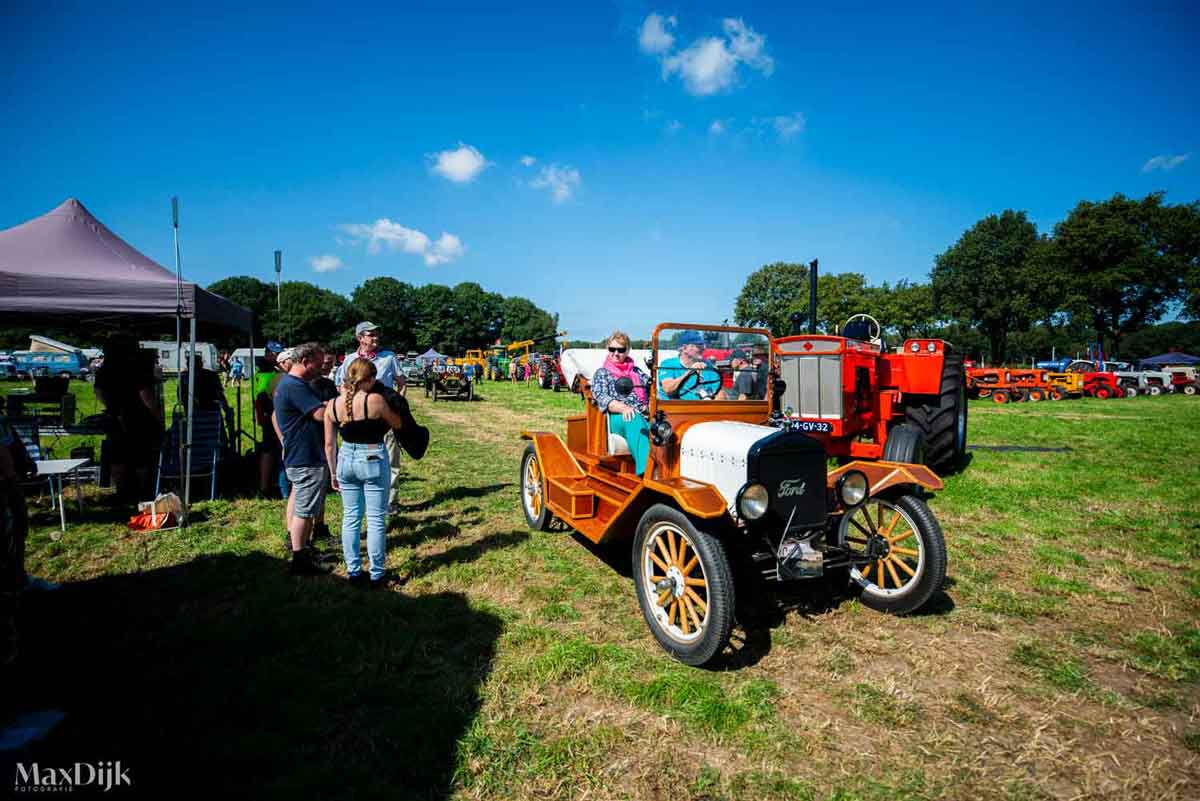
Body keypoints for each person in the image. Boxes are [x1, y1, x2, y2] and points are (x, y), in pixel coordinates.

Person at [325, 359, 405, 588]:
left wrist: (332, 473)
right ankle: (377, 573)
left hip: (345, 460)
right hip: (372, 457)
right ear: (368, 379)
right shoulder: (375, 400)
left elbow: (329, 445)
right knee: (376, 518)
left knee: (350, 517)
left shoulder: (332, 405)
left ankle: (354, 571)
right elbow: (397, 423)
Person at [335, 322, 407, 515]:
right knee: (359, 458)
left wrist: (397, 405)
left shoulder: (388, 357)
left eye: (377, 334)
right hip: (357, 419)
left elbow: (401, 382)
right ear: (360, 337)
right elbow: (341, 385)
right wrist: (346, 407)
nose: (375, 337)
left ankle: (391, 501)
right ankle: (364, 501)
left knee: (391, 459)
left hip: (385, 418)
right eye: (371, 334)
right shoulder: (350, 359)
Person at [273, 342, 332, 576]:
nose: (321, 369)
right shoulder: (295, 386)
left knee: (300, 501)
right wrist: (339, 405)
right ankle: (300, 559)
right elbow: (319, 414)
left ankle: (303, 550)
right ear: (306, 361)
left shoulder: (287, 383)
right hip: (305, 456)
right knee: (305, 510)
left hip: (299, 453)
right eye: (318, 364)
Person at [93, 341, 164, 502]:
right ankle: (142, 492)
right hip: (137, 417)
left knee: (118, 456)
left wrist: (112, 406)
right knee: (141, 456)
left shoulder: (104, 370)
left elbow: (98, 392)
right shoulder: (135, 368)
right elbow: (146, 395)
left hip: (115, 416)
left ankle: (123, 493)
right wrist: (157, 416)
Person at [591, 331, 652, 476]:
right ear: (608, 349)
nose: (616, 353)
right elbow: (601, 397)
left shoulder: (637, 372)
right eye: (612, 349)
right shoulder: (602, 373)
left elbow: (652, 389)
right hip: (617, 416)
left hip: (642, 413)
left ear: (628, 351)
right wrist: (623, 407)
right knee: (634, 419)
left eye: (620, 350)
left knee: (663, 427)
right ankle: (645, 473)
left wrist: (650, 405)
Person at [658, 330, 721, 400]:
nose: (704, 348)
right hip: (673, 408)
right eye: (699, 345)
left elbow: (719, 393)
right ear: (685, 348)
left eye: (703, 345)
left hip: (703, 409)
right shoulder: (668, 364)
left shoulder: (709, 367)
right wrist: (690, 371)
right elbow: (668, 389)